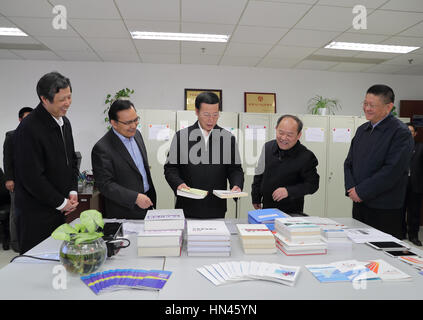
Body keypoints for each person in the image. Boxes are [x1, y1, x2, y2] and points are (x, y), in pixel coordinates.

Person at [14, 72, 79, 254]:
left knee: (59, 263)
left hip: (59, 210)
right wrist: (60, 202)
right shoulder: (29, 128)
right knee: (38, 267)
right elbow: (32, 177)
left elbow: (71, 161)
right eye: (61, 99)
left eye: (69, 97)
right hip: (36, 215)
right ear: (44, 99)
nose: (67, 103)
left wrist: (72, 190)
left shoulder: (64, 123)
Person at [344, 84, 413, 239]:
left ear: (388, 107)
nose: (367, 108)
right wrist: (351, 189)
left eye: (372, 105)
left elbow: (392, 171)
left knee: (382, 253)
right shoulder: (362, 130)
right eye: (365, 103)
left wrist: (361, 191)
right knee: (358, 246)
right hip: (360, 203)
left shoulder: (400, 133)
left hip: (385, 207)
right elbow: (348, 163)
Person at [164, 91, 244, 219]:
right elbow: (170, 168)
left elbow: (235, 169)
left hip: (216, 207)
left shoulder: (228, 138)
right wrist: (178, 184)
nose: (211, 119)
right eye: (206, 114)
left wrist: (236, 185)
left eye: (215, 115)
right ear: (196, 111)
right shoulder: (182, 137)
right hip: (188, 205)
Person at [91, 99, 156, 219]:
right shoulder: (102, 148)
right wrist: (135, 198)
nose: (133, 126)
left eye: (135, 120)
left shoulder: (137, 135)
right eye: (127, 123)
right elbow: (105, 185)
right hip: (124, 211)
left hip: (147, 204)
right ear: (114, 123)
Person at [252, 115, 319, 214]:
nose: (283, 138)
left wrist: (289, 191)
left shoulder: (306, 156)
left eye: (289, 135)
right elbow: (259, 174)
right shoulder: (268, 147)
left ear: (299, 135)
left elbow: (313, 185)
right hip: (267, 208)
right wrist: (256, 197)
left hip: (292, 211)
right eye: (281, 132)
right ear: (276, 129)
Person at [3, 107, 33, 252]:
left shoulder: (35, 136)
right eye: (26, 118)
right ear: (20, 119)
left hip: (31, 182)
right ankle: (15, 243)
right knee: (16, 212)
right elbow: (7, 160)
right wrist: (9, 179)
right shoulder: (11, 136)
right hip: (16, 181)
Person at [403, 123, 423, 246]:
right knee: (399, 211)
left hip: (416, 185)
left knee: (414, 212)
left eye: (411, 131)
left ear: (415, 134)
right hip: (400, 186)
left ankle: (413, 236)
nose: (409, 133)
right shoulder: (398, 147)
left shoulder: (421, 147)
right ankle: (401, 233)